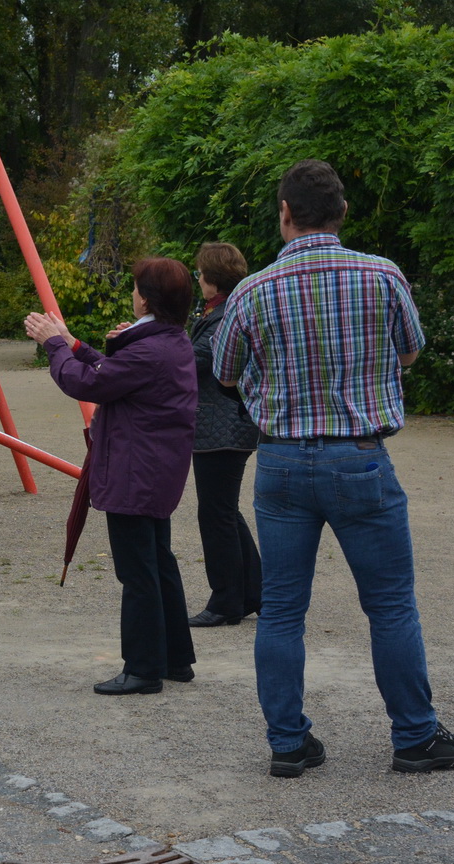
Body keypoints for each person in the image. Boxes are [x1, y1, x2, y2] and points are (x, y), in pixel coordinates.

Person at [212, 159, 454, 778]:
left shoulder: (252, 291)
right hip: (359, 457)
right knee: (389, 606)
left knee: (281, 609)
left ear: (284, 213)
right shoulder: (382, 276)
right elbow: (409, 351)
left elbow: (224, 374)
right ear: (342, 214)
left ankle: (287, 742)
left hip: (278, 460)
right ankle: (414, 737)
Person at [25, 259, 198, 695]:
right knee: (158, 561)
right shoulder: (170, 341)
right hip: (154, 468)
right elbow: (114, 376)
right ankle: (175, 658)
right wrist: (74, 344)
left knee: (138, 571)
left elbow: (86, 384)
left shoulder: (148, 347)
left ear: (147, 298)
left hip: (134, 471)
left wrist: (55, 347)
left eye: (137, 287)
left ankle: (143, 669)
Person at [187, 242, 262, 627]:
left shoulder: (223, 316)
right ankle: (251, 592)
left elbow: (196, 361)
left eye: (200, 274)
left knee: (215, 514)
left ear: (213, 280)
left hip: (223, 426)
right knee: (224, 511)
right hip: (229, 424)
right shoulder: (226, 310)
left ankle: (225, 601)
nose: (197, 280)